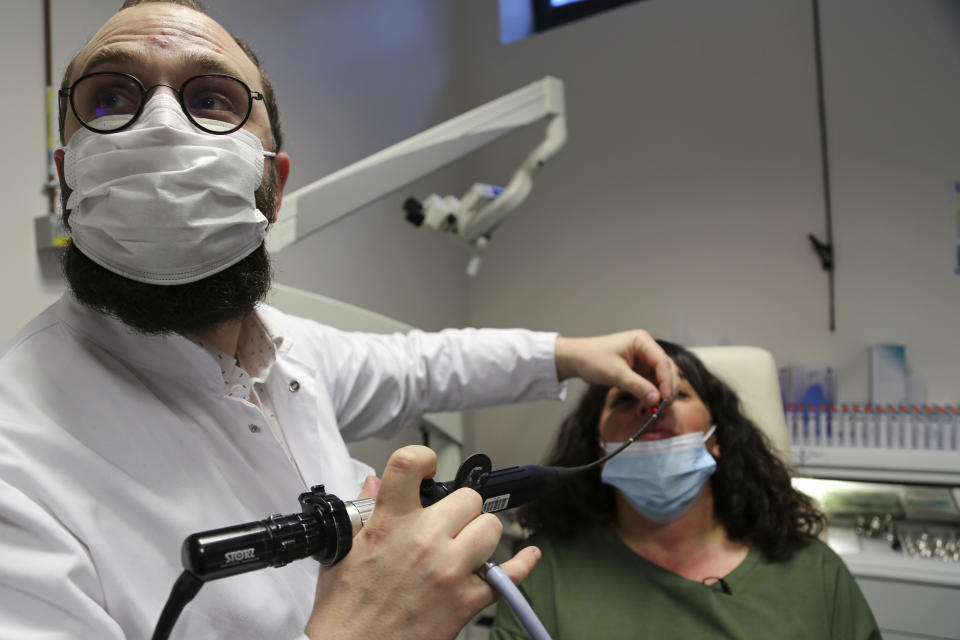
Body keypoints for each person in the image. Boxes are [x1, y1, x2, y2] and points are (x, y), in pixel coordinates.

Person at [0, 2, 680, 639]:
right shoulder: (17, 459)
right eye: (112, 98)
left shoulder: (282, 352)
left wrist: (572, 352)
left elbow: (424, 365)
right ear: (67, 176)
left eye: (210, 98)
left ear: (276, 184)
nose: (162, 126)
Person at [491, 340, 881, 639]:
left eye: (676, 392)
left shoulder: (815, 573)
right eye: (626, 398)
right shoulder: (544, 574)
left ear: (717, 438)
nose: (651, 404)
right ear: (599, 449)